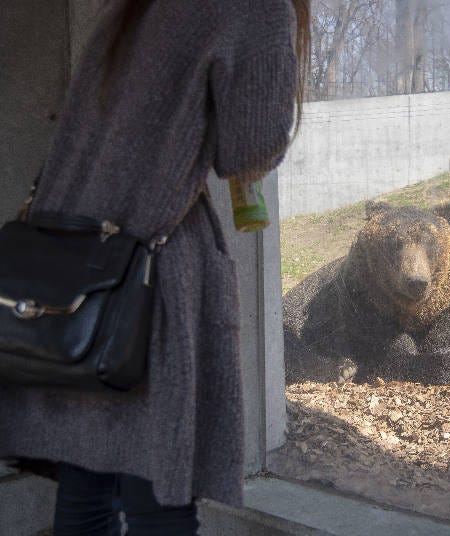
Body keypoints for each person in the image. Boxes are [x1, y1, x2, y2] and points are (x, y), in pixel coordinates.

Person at [0, 0, 310, 533]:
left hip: (67, 269)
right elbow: (248, 150)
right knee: (157, 498)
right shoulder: (257, 7)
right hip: (145, 274)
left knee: (86, 487)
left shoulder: (133, 8)